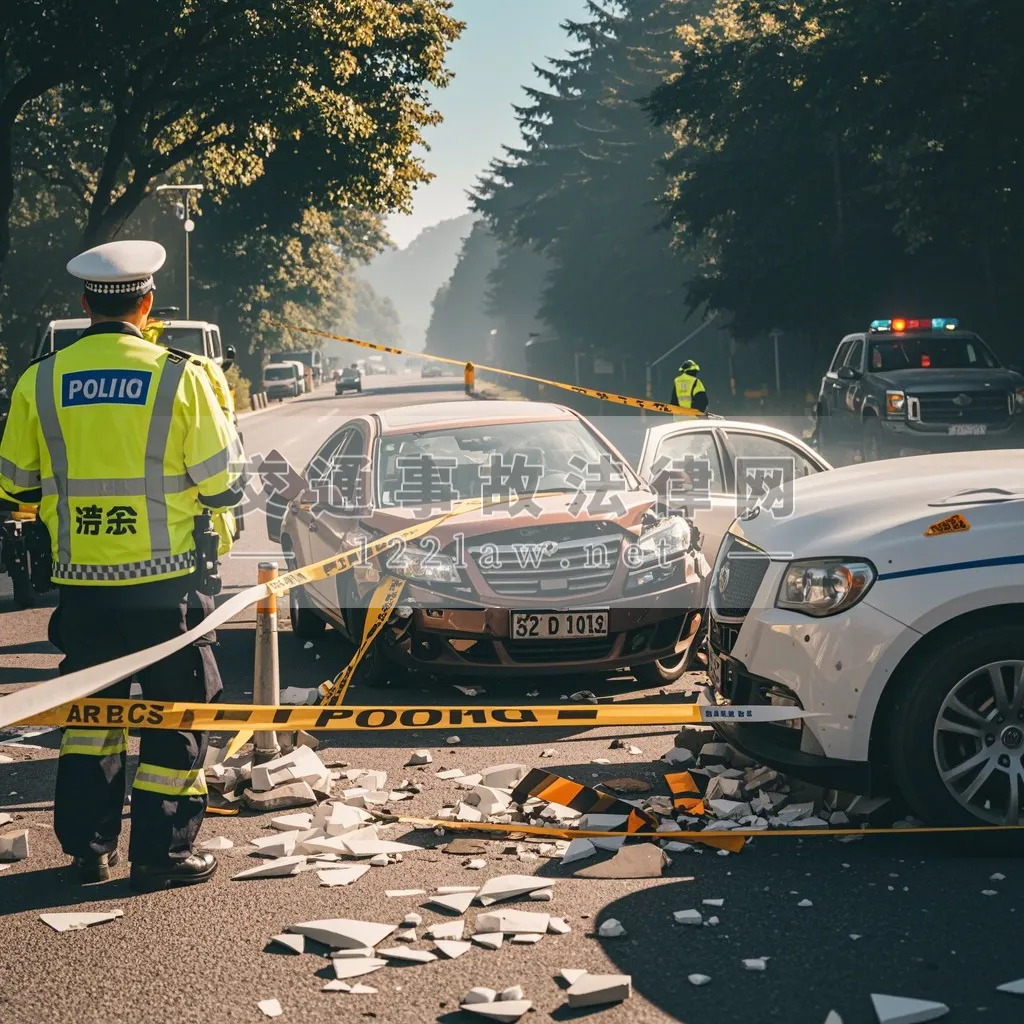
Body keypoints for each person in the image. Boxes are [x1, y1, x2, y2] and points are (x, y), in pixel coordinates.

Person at [0, 239, 245, 890]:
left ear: (85, 304)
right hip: (169, 582)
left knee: (90, 720)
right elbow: (223, 485)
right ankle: (163, 854)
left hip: (83, 585)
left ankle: (88, 850)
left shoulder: (41, 380)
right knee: (179, 711)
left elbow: (16, 488)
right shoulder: (181, 375)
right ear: (149, 303)